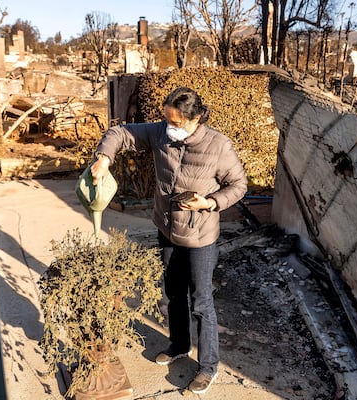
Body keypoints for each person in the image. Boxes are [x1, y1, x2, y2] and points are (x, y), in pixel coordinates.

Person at [90, 87, 247, 394]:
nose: (169, 126)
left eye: (176, 122)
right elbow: (120, 133)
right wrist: (103, 158)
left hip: (200, 234)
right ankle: (179, 344)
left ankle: (208, 366)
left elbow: (239, 185)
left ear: (196, 118)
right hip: (167, 228)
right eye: (167, 120)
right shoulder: (162, 133)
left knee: (201, 302)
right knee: (173, 293)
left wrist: (211, 202)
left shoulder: (218, 146)